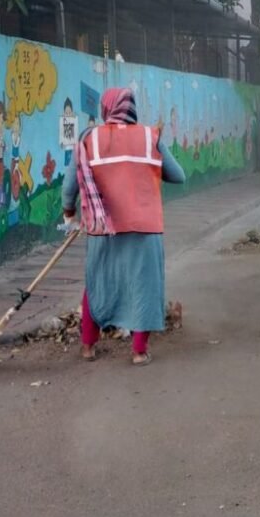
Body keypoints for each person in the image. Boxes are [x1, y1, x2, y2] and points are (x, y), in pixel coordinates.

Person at [62, 87, 186, 366]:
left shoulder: (89, 138)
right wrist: (152, 160)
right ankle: (139, 352)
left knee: (98, 282)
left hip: (102, 226)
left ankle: (88, 347)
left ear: (106, 109)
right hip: (145, 227)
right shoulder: (150, 136)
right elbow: (179, 176)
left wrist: (69, 215)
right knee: (144, 285)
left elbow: (69, 187)